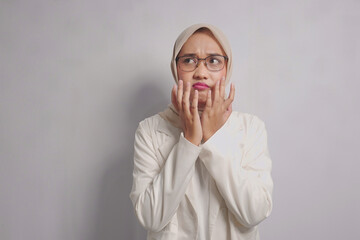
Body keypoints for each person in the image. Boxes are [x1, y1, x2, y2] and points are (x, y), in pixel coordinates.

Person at [129, 23, 273, 240]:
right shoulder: (150, 130)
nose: (201, 73)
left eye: (213, 61)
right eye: (189, 60)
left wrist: (214, 138)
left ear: (227, 67)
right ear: (175, 68)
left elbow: (254, 212)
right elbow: (151, 218)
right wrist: (189, 140)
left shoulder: (251, 128)